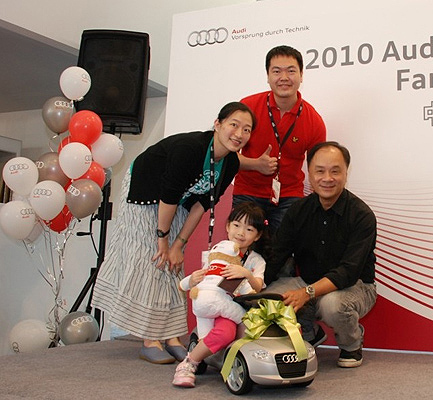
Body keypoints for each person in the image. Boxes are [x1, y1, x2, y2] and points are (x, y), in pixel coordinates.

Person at [91, 102, 256, 364]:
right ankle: (150, 339)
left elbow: (202, 204)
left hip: (179, 202)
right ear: (218, 124)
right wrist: (163, 240)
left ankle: (171, 337)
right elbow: (167, 196)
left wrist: (179, 244)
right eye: (233, 125)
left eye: (246, 129)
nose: (239, 134)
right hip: (146, 192)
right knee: (154, 258)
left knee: (174, 263)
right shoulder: (190, 149)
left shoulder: (231, 163)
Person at [265, 141, 377, 368]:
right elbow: (277, 254)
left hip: (354, 286)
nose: (327, 178)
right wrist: (252, 284)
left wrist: (306, 293)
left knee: (332, 305)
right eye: (320, 171)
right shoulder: (298, 210)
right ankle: (310, 333)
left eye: (335, 171)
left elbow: (348, 272)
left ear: (346, 173)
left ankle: (351, 344)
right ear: (309, 173)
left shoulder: (362, 215)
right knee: (267, 299)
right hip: (307, 281)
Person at [172, 201, 269, 388]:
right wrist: (194, 279)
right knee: (224, 333)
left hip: (234, 307)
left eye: (249, 229)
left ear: (257, 236)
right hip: (211, 303)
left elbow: (257, 288)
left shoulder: (256, 260)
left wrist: (246, 274)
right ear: (228, 226)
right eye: (237, 225)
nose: (241, 233)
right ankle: (189, 363)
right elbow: (207, 278)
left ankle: (234, 363)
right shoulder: (216, 251)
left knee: (237, 332)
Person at [233, 45, 327, 233]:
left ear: (301, 75)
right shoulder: (246, 108)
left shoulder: (314, 121)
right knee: (240, 247)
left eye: (291, 71)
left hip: (289, 196)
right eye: (276, 71)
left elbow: (318, 169)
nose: (284, 77)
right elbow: (225, 154)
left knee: (284, 249)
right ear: (268, 76)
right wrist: (255, 164)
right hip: (248, 192)